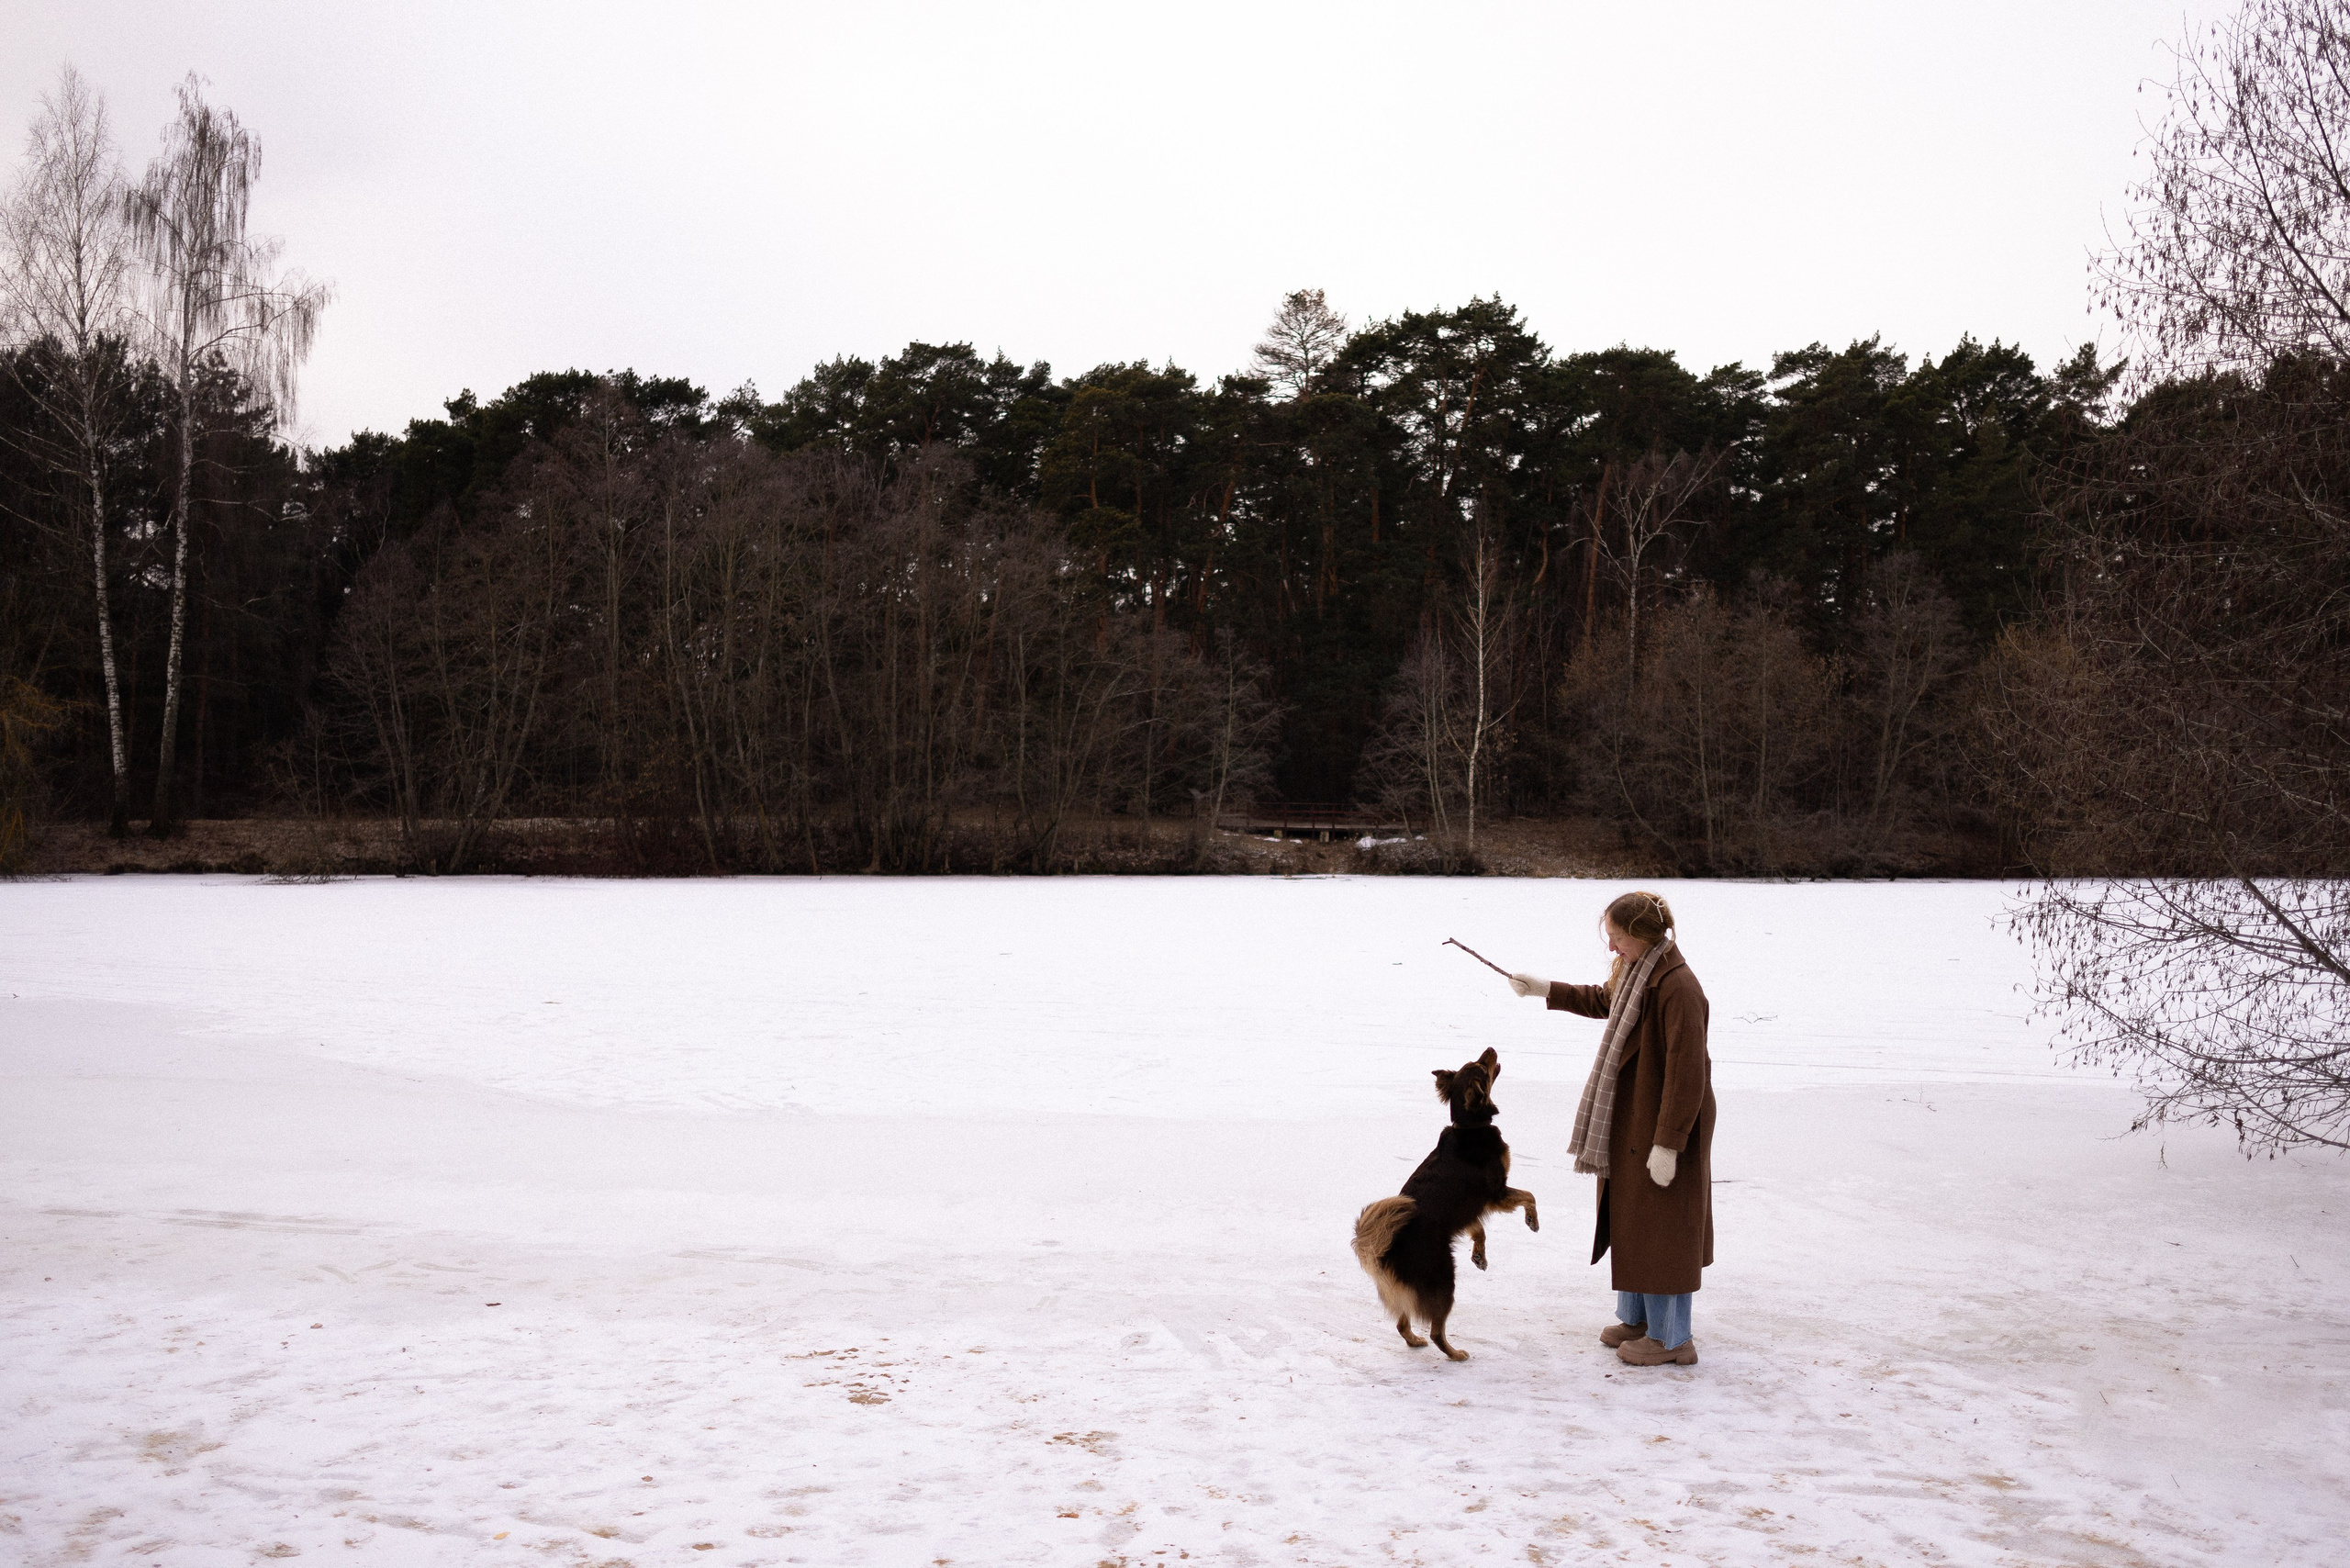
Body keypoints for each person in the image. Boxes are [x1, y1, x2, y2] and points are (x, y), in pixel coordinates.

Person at [1505, 890, 1714, 1367]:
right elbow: (1604, 999)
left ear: (1641, 934)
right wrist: (1545, 988)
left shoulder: (1678, 987)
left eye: (1618, 938)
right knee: (1632, 1217)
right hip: (1634, 1115)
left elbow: (1688, 1075)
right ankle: (1638, 1318)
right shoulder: (1641, 972)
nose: (1613, 948)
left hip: (1664, 1124)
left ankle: (1671, 1337)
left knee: (1662, 1225)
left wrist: (1669, 1144)